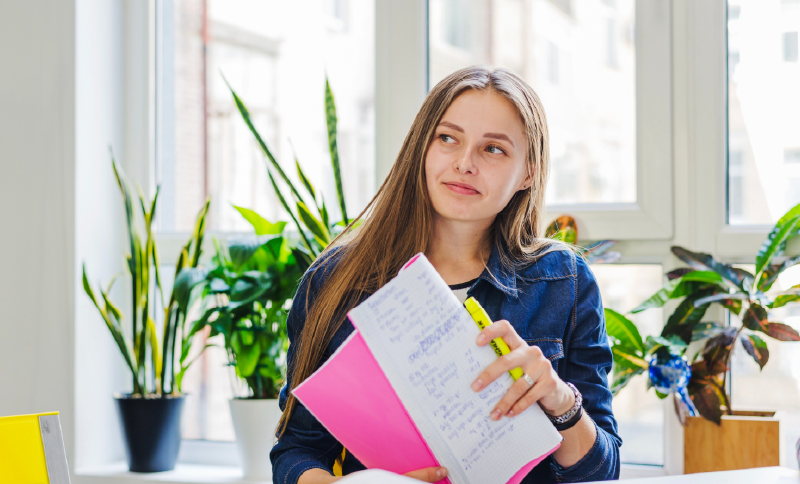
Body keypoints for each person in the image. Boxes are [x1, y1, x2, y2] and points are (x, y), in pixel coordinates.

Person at [270, 65, 621, 484]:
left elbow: (602, 472)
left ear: (528, 172)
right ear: (422, 147)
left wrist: (561, 402)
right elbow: (297, 451)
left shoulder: (564, 280)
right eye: (448, 139)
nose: (464, 163)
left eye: (493, 149)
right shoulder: (336, 281)